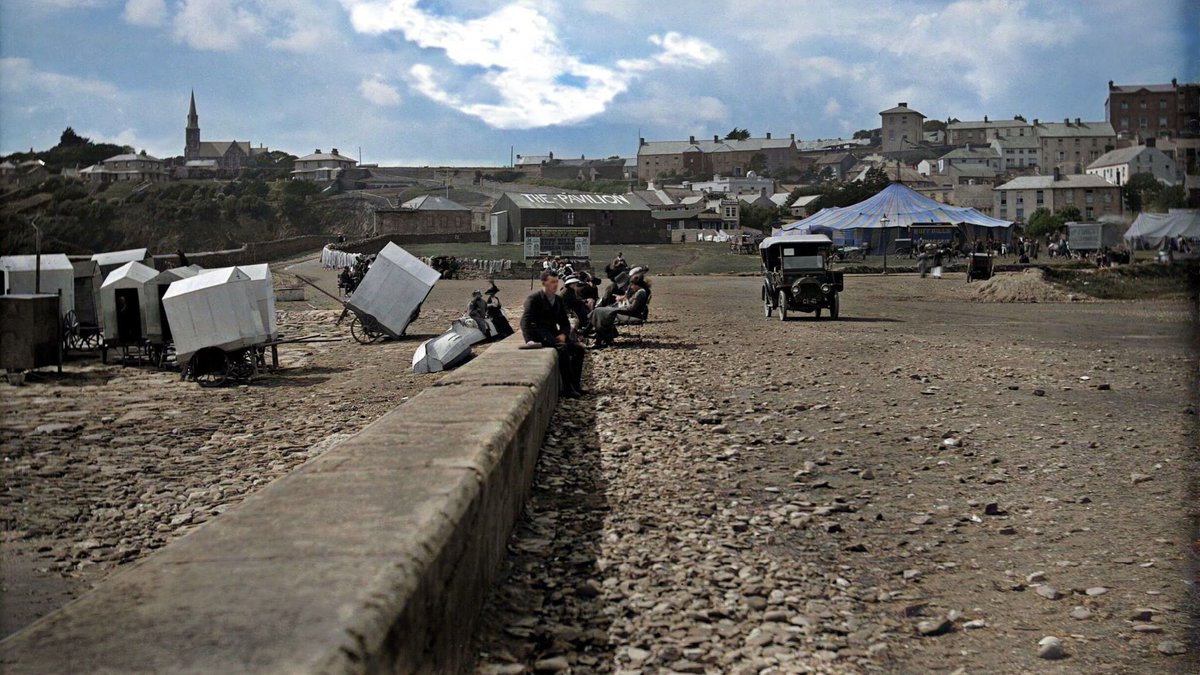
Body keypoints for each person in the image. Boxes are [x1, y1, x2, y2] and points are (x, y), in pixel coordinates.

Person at [521, 270, 587, 398]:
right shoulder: (534, 299)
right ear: (544, 283)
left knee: (579, 349)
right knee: (562, 350)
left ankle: (575, 385)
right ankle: (568, 388)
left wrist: (563, 334)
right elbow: (525, 321)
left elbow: (564, 322)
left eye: (556, 282)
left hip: (554, 334)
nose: (555, 285)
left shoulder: (557, 299)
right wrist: (529, 340)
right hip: (540, 335)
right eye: (552, 282)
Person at [588, 275, 649, 347]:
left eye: (632, 285)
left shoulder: (640, 293)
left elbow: (631, 309)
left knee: (601, 313)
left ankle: (599, 338)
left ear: (636, 285)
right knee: (599, 311)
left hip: (631, 314)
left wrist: (622, 304)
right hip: (629, 312)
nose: (631, 287)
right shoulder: (640, 292)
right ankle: (602, 338)